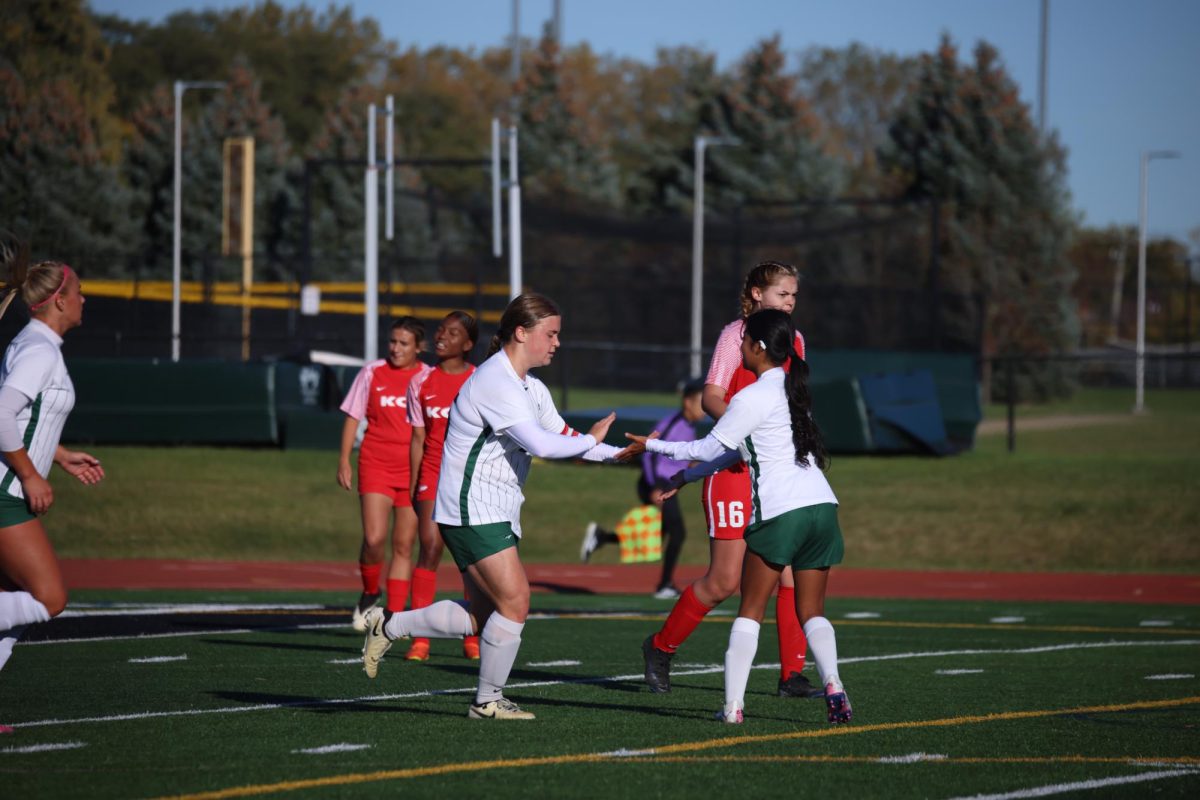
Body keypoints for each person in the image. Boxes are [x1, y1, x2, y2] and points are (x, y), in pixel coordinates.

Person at [361, 293, 625, 720]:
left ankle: (389, 624)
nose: (557, 343)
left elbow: (564, 435)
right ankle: (487, 701)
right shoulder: (494, 381)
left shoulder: (529, 387)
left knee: (485, 617)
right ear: (522, 332)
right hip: (471, 507)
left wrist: (617, 454)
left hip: (494, 508)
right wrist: (593, 442)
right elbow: (542, 444)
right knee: (516, 600)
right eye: (551, 334)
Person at [632, 308, 849, 725]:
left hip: (782, 512)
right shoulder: (794, 390)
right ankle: (834, 686)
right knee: (814, 611)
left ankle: (732, 707)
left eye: (745, 341)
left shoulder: (751, 396)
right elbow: (741, 450)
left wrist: (652, 447)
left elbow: (706, 447)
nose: (740, 346)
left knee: (749, 609)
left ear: (758, 348)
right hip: (823, 507)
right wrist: (690, 476)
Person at [0, 252, 105, 699]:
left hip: (9, 489)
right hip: (5, 493)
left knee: (14, 607)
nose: (85, 298)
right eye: (79, 290)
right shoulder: (39, 349)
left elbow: (23, 418)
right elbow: (1, 411)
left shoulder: (37, 345)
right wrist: (30, 475)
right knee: (48, 599)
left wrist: (57, 456)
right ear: (59, 300)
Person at [337, 317, 432, 631]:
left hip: (413, 470)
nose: (396, 348)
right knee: (374, 539)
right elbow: (353, 416)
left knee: (404, 545)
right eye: (393, 341)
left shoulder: (427, 377)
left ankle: (393, 618)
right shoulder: (372, 372)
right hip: (375, 463)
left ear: (419, 347)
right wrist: (344, 460)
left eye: (404, 343)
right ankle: (369, 592)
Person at [580, 377, 706, 599]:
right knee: (677, 533)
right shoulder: (673, 425)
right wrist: (654, 486)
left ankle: (602, 537)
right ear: (688, 402)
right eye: (700, 402)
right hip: (656, 485)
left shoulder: (688, 427)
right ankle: (664, 585)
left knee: (658, 536)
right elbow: (649, 455)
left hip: (665, 485)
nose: (704, 409)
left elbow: (677, 458)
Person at [404, 311, 480, 661]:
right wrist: (415, 480)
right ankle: (420, 638)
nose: (442, 337)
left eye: (452, 333)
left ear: (467, 344)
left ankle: (472, 636)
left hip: (470, 479)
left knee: (470, 558)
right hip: (433, 475)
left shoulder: (481, 380)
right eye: (440, 331)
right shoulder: (421, 382)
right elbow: (418, 437)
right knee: (430, 547)